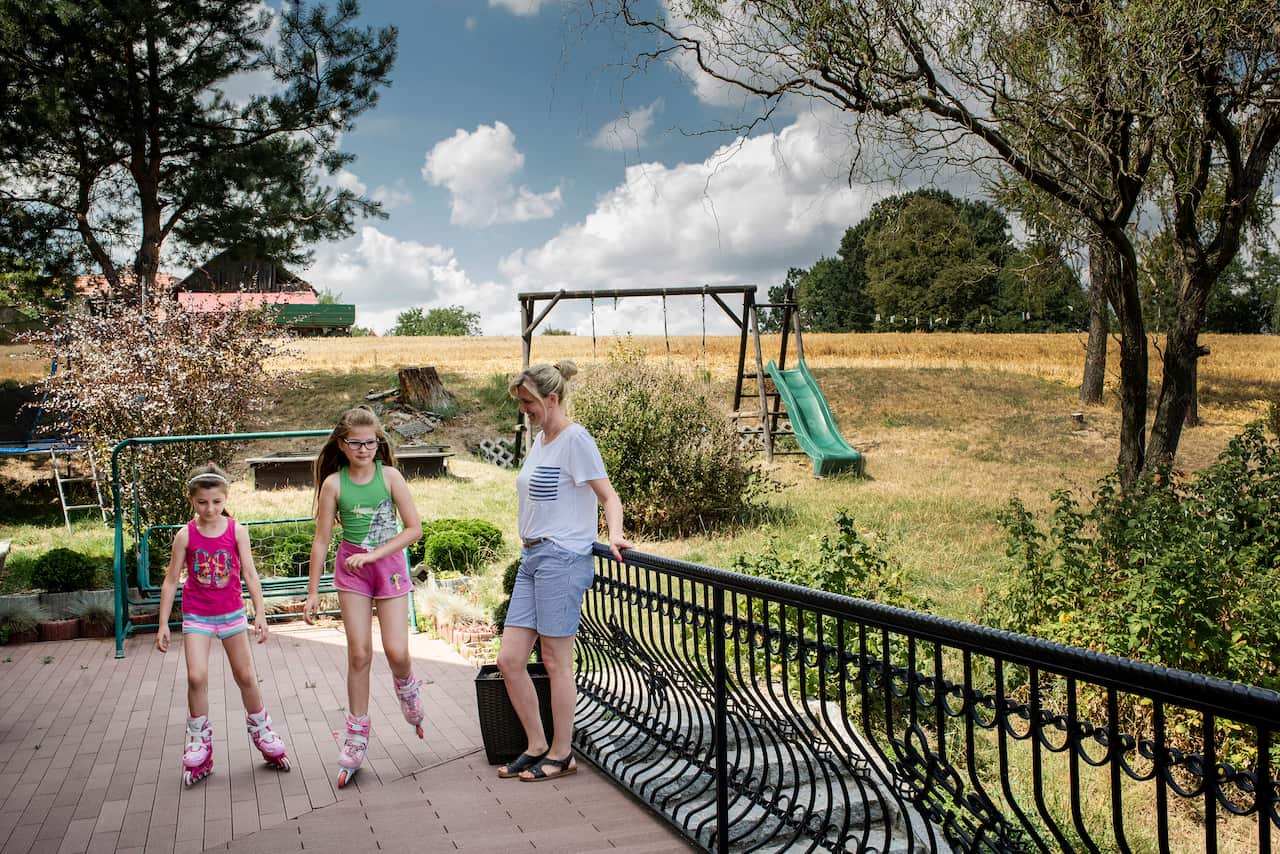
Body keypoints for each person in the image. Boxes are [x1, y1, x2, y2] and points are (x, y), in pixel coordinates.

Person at [497, 361, 633, 782]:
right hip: (532, 558)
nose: (523, 410)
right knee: (510, 659)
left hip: (562, 557)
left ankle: (562, 753)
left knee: (557, 661)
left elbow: (609, 496)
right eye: (520, 402)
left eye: (528, 402)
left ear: (551, 399)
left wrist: (615, 534)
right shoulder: (540, 441)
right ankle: (537, 744)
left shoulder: (576, 440)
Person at [303, 405, 425, 788]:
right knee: (359, 653)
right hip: (351, 571)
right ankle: (356, 736)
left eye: (371, 443)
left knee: (397, 651)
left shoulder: (390, 477)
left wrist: (375, 554)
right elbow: (322, 540)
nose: (364, 449)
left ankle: (407, 689)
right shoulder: (334, 485)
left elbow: (414, 529)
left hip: (387, 568)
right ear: (342, 444)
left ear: (378, 443)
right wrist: (311, 592)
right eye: (356, 443)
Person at [156, 463, 290, 787]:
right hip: (197, 616)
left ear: (224, 499)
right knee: (196, 676)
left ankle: (263, 731)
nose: (210, 508)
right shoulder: (185, 535)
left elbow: (250, 574)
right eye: (203, 502)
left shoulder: (236, 530)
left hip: (231, 614)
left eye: (216, 502)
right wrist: (163, 624)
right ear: (192, 502)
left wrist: (260, 613)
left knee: (245, 675)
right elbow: (171, 580)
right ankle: (199, 741)